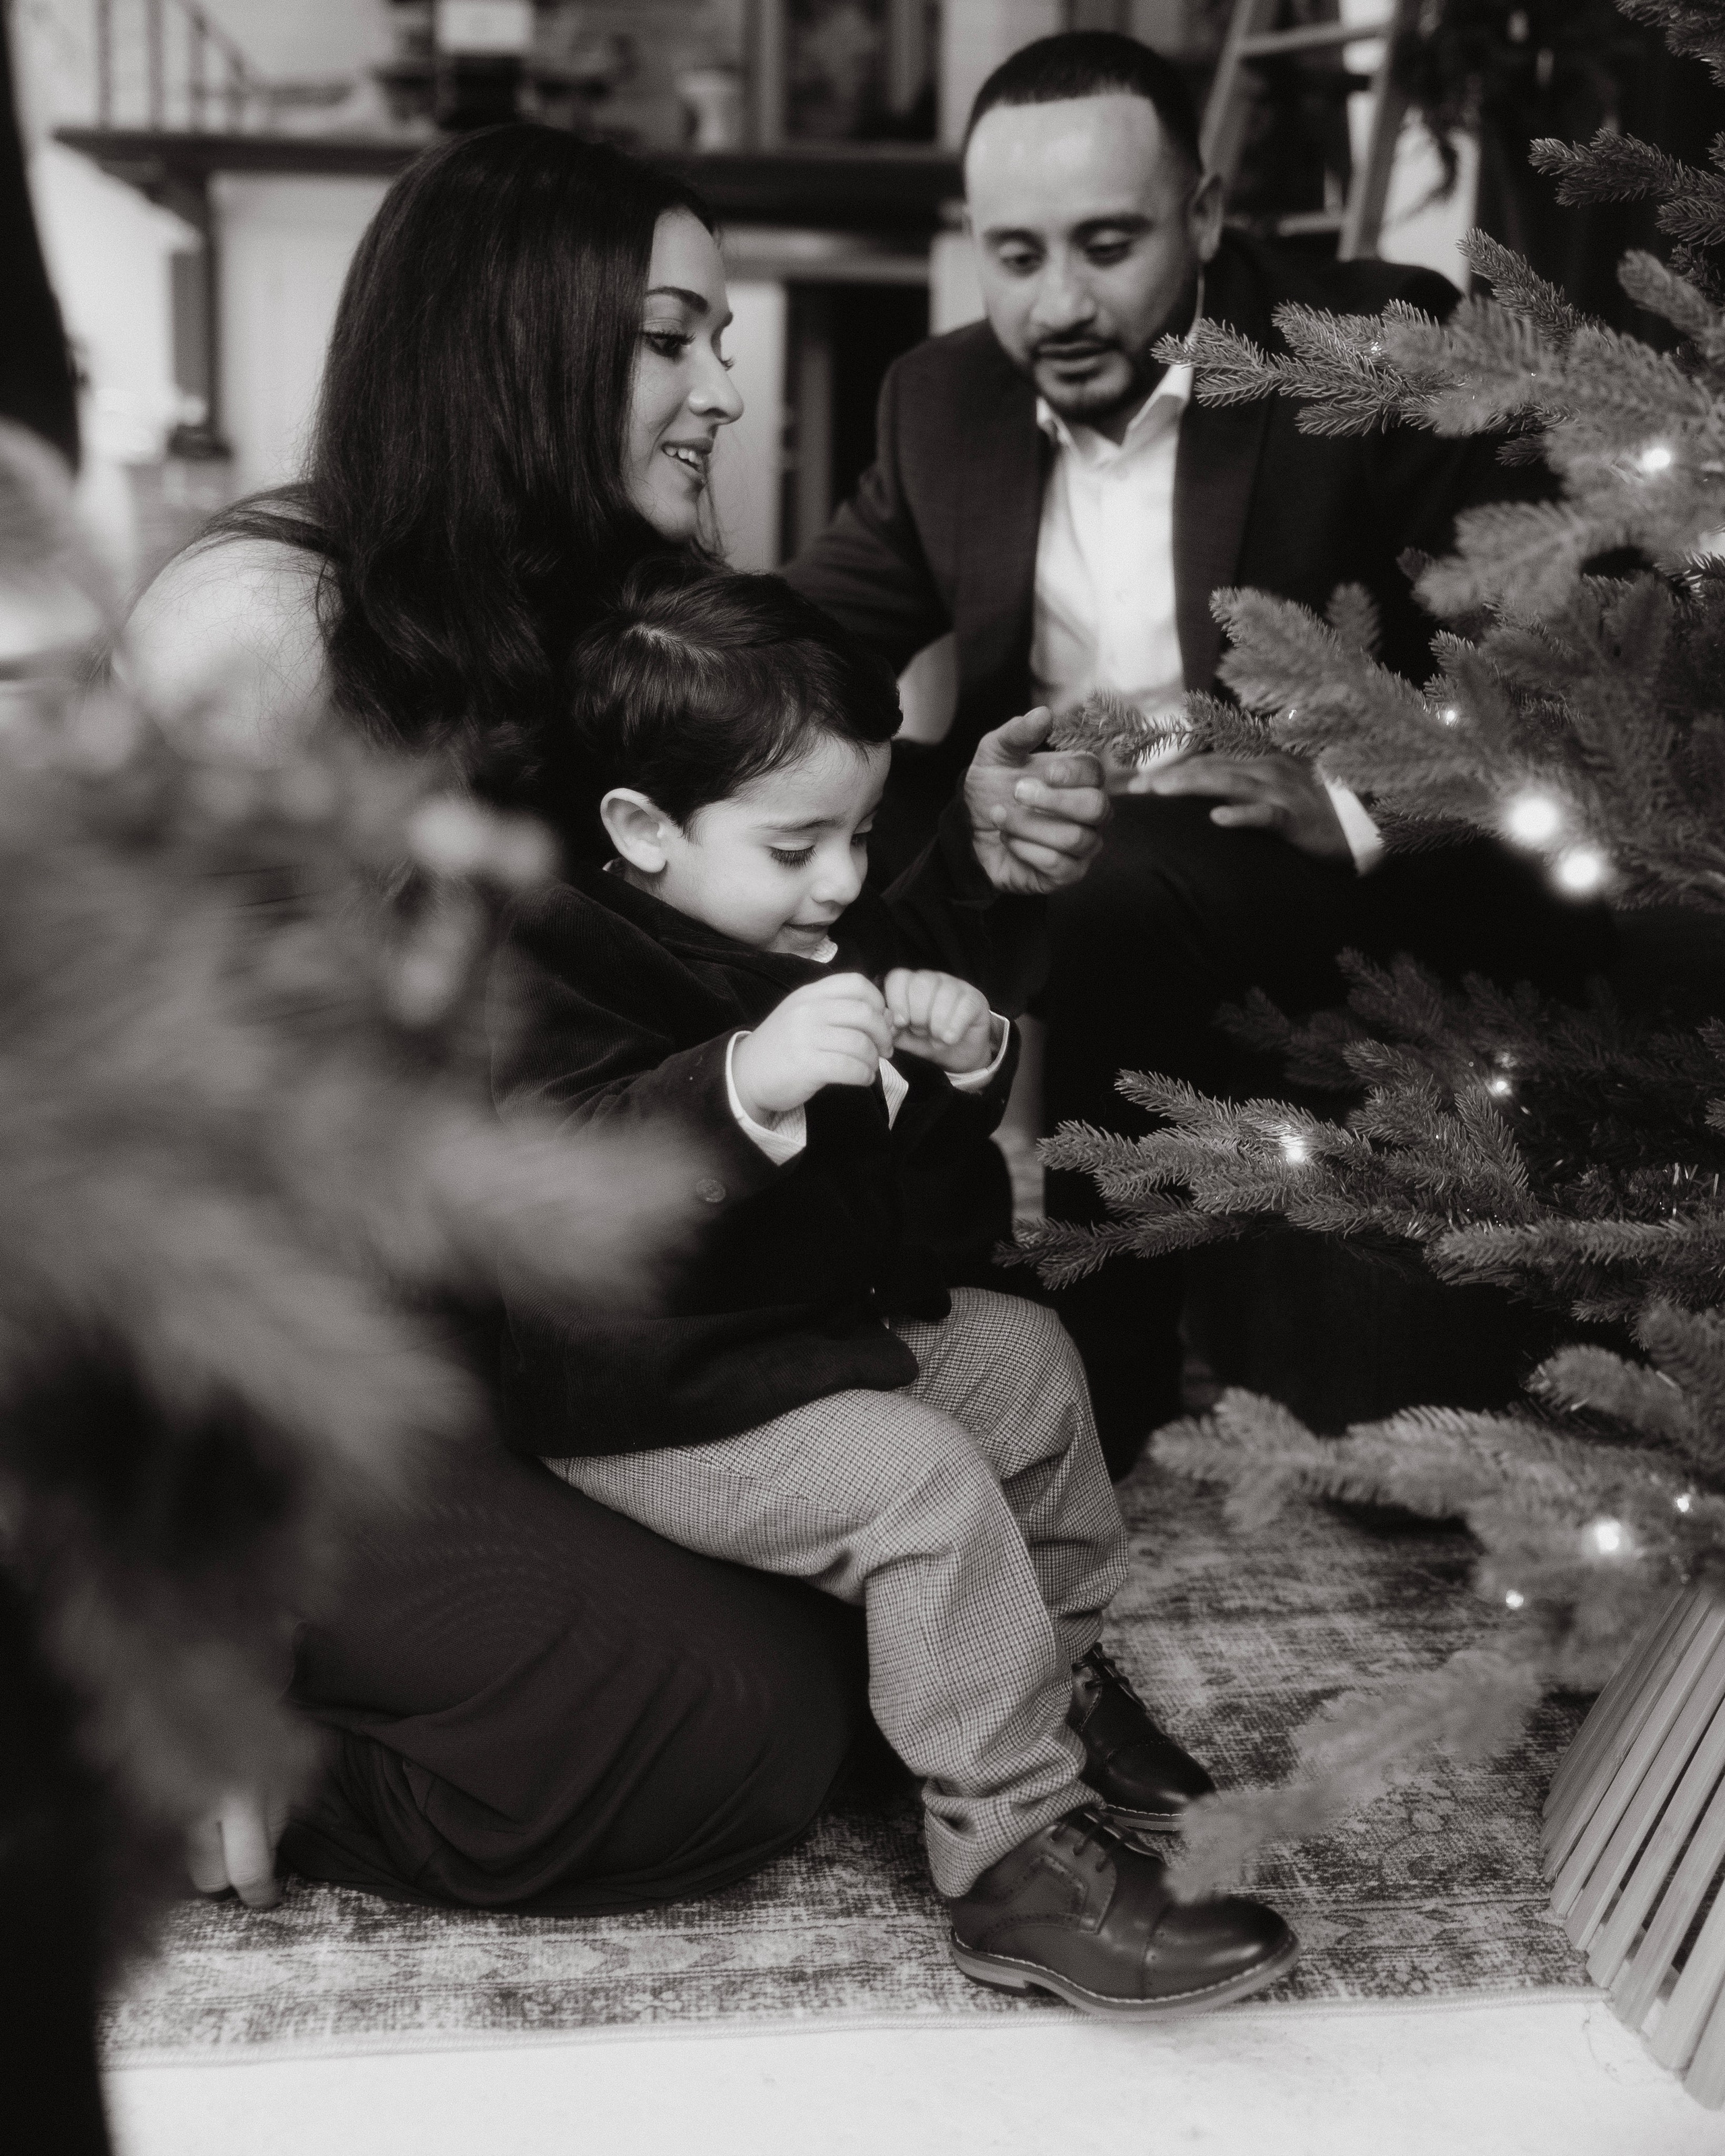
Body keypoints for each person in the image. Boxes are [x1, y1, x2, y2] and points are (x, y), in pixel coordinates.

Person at [119, 124, 1111, 1916]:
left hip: (553, 1328)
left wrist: (967, 863)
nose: (725, 387)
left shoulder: (616, 619)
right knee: (707, 1734)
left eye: (718, 339)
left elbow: (746, 977)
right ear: (519, 345)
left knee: (848, 1661)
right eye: (676, 338)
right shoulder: (264, 627)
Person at [784, 30, 1612, 1469]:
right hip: (1045, 829)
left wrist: (1356, 795)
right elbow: (805, 643)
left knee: (1113, 889)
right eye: (1014, 255)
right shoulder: (940, 403)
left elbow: (1554, 642)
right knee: (811, 854)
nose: (1056, 303)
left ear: (1208, 215)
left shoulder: (1356, 354)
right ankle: (898, 1303)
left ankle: (1104, 1396)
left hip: (1303, 859)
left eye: (1105, 245)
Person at [499, 557, 1297, 2017]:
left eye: (863, 833)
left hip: (795, 1334)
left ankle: (1038, 1692)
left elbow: (913, 1220)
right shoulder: (554, 954)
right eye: (798, 843)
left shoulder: (802, 930)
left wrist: (963, 1063)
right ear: (641, 828)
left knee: (1028, 1363)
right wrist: (739, 1085)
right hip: (645, 1386)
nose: (848, 881)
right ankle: (1010, 1854)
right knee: (918, 1481)